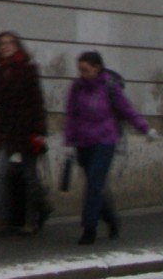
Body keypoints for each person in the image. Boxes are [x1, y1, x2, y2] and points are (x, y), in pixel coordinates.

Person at [62, 50, 150, 246]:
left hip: (105, 140)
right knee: (96, 186)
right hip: (83, 142)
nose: (82, 74)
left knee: (94, 182)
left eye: (86, 70)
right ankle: (111, 218)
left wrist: (145, 128)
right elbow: (71, 116)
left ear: (97, 68)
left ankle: (89, 228)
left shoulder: (109, 87)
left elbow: (126, 110)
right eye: (80, 70)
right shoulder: (77, 88)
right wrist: (69, 140)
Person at [0, 31, 49, 233]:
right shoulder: (0, 72)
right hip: (7, 130)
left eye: (10, 43)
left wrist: (40, 131)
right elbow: (2, 107)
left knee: (30, 176)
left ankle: (32, 219)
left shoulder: (28, 70)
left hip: (27, 129)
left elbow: (37, 101)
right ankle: (1, 218)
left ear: (17, 46)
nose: (5, 46)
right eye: (2, 44)